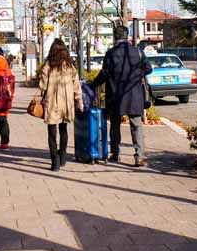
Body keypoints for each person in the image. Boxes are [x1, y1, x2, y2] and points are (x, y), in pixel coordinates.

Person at [91, 25, 152, 167]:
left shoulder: (111, 53)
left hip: (116, 95)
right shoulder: (138, 52)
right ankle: (139, 157)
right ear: (127, 36)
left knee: (115, 125)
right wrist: (138, 74)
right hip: (134, 94)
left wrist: (92, 85)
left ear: (115, 37)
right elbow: (149, 68)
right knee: (136, 125)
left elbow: (104, 74)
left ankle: (115, 153)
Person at [38, 38, 83, 171]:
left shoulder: (48, 66)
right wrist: (79, 100)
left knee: (52, 133)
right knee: (64, 130)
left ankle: (55, 163)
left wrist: (43, 94)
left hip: (52, 103)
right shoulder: (69, 66)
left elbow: (43, 86)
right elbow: (76, 85)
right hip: (67, 103)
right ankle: (62, 157)